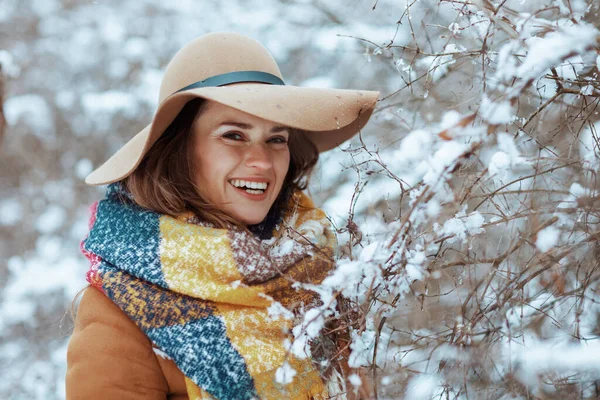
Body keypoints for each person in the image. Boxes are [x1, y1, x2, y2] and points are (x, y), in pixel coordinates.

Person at [66, 32, 379, 400]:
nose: (262, 161)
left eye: (277, 139)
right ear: (179, 151)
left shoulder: (318, 277)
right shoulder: (123, 307)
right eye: (233, 135)